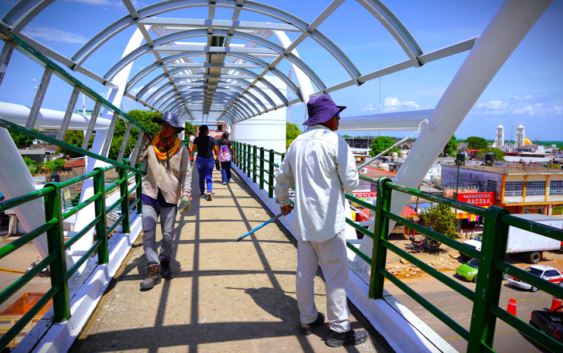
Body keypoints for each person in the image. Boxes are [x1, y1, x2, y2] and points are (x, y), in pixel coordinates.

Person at [274, 94, 367, 348]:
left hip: (303, 222)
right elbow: (351, 182)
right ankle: (339, 330)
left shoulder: (297, 143)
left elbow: (282, 177)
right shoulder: (336, 143)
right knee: (335, 276)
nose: (339, 119)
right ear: (327, 118)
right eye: (337, 115)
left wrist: (283, 201)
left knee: (305, 273)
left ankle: (308, 319)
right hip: (328, 223)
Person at [137, 112, 192, 290]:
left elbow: (186, 173)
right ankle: (153, 270)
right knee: (148, 233)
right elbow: (134, 160)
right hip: (150, 194)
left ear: (175, 130)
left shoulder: (181, 148)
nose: (164, 128)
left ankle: (165, 262)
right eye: (162, 125)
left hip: (170, 195)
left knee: (168, 235)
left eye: (168, 126)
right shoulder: (151, 145)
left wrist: (186, 194)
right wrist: (142, 143)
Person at [190, 125, 219, 201]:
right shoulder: (211, 139)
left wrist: (189, 157)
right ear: (206, 131)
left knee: (201, 177)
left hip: (199, 160)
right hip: (209, 160)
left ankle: (202, 192)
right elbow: (216, 150)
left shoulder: (197, 139)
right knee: (208, 176)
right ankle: (209, 191)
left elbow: (192, 149)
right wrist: (217, 158)